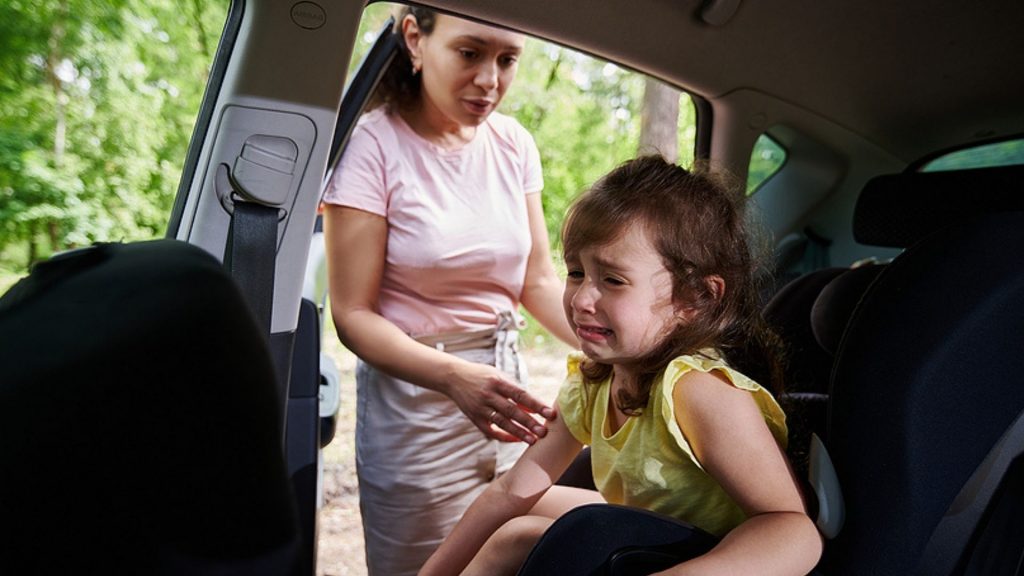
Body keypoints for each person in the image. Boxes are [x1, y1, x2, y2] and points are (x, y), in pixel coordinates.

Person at [420, 156, 824, 576]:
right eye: (576, 272)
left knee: (515, 538)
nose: (580, 300)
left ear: (694, 298)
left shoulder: (698, 389)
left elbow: (792, 529)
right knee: (523, 504)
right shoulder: (594, 382)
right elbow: (511, 491)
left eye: (612, 280)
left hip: (715, 556)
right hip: (651, 528)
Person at [321, 6, 576, 576]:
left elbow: (535, 281)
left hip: (509, 401)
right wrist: (454, 377)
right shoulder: (372, 145)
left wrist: (621, 345)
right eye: (470, 53)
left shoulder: (513, 144)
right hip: (417, 415)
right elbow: (352, 313)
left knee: (509, 560)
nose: (491, 80)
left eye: (508, 59)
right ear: (416, 38)